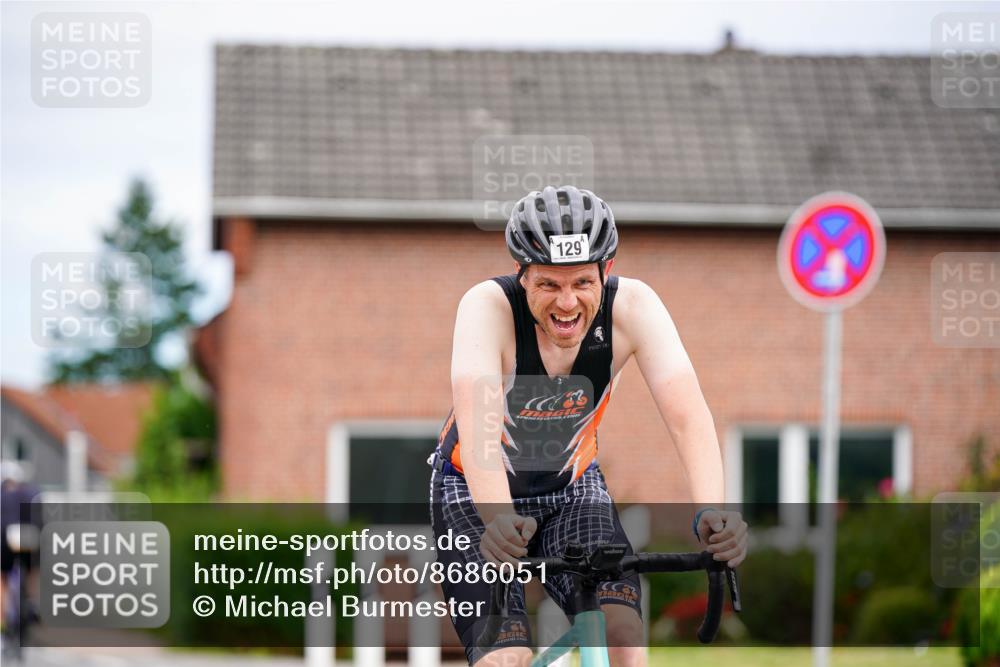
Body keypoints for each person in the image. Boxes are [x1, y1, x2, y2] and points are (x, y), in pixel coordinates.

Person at [429, 185, 748, 667]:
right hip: (472, 494)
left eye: (582, 282)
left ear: (607, 270)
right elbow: (479, 439)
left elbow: (688, 419)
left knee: (623, 635)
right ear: (522, 275)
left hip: (573, 491)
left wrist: (714, 513)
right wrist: (498, 519)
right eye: (548, 285)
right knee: (507, 656)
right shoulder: (486, 308)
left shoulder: (634, 309)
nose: (567, 304)